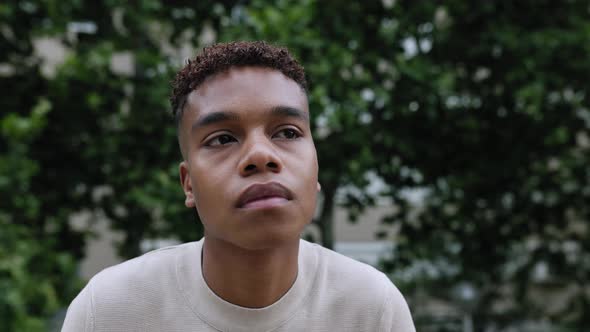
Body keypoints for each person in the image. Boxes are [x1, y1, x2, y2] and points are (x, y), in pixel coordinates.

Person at [62, 41, 415, 332]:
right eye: (222, 139)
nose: (260, 156)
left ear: (316, 170)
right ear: (188, 185)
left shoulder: (371, 310)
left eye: (287, 133)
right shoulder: (109, 312)